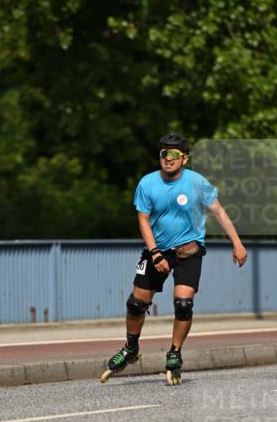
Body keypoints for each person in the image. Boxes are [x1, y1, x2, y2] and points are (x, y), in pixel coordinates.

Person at [103, 132, 248, 385]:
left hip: (188, 251)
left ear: (184, 159)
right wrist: (156, 253)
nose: (167, 159)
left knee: (183, 304)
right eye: (163, 154)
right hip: (156, 250)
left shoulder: (197, 182)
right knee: (136, 303)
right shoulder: (147, 184)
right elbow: (143, 222)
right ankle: (131, 348)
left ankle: (174, 353)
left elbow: (220, 212)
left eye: (173, 155)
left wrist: (237, 243)